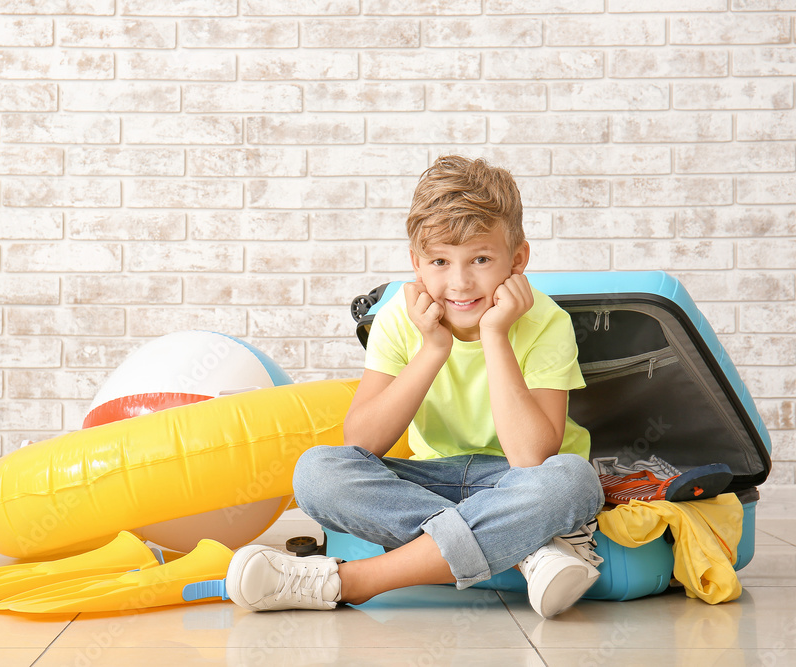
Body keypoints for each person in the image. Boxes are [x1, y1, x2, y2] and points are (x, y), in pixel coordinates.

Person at [225, 155, 605, 619]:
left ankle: (350, 581)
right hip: (430, 483)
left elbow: (531, 457)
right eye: (440, 261)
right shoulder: (397, 321)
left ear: (518, 259)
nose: (460, 283)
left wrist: (495, 336)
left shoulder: (546, 322)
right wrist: (431, 350)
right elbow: (362, 443)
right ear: (416, 264)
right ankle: (528, 548)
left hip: (518, 481)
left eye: (481, 260)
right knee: (317, 471)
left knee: (573, 479)